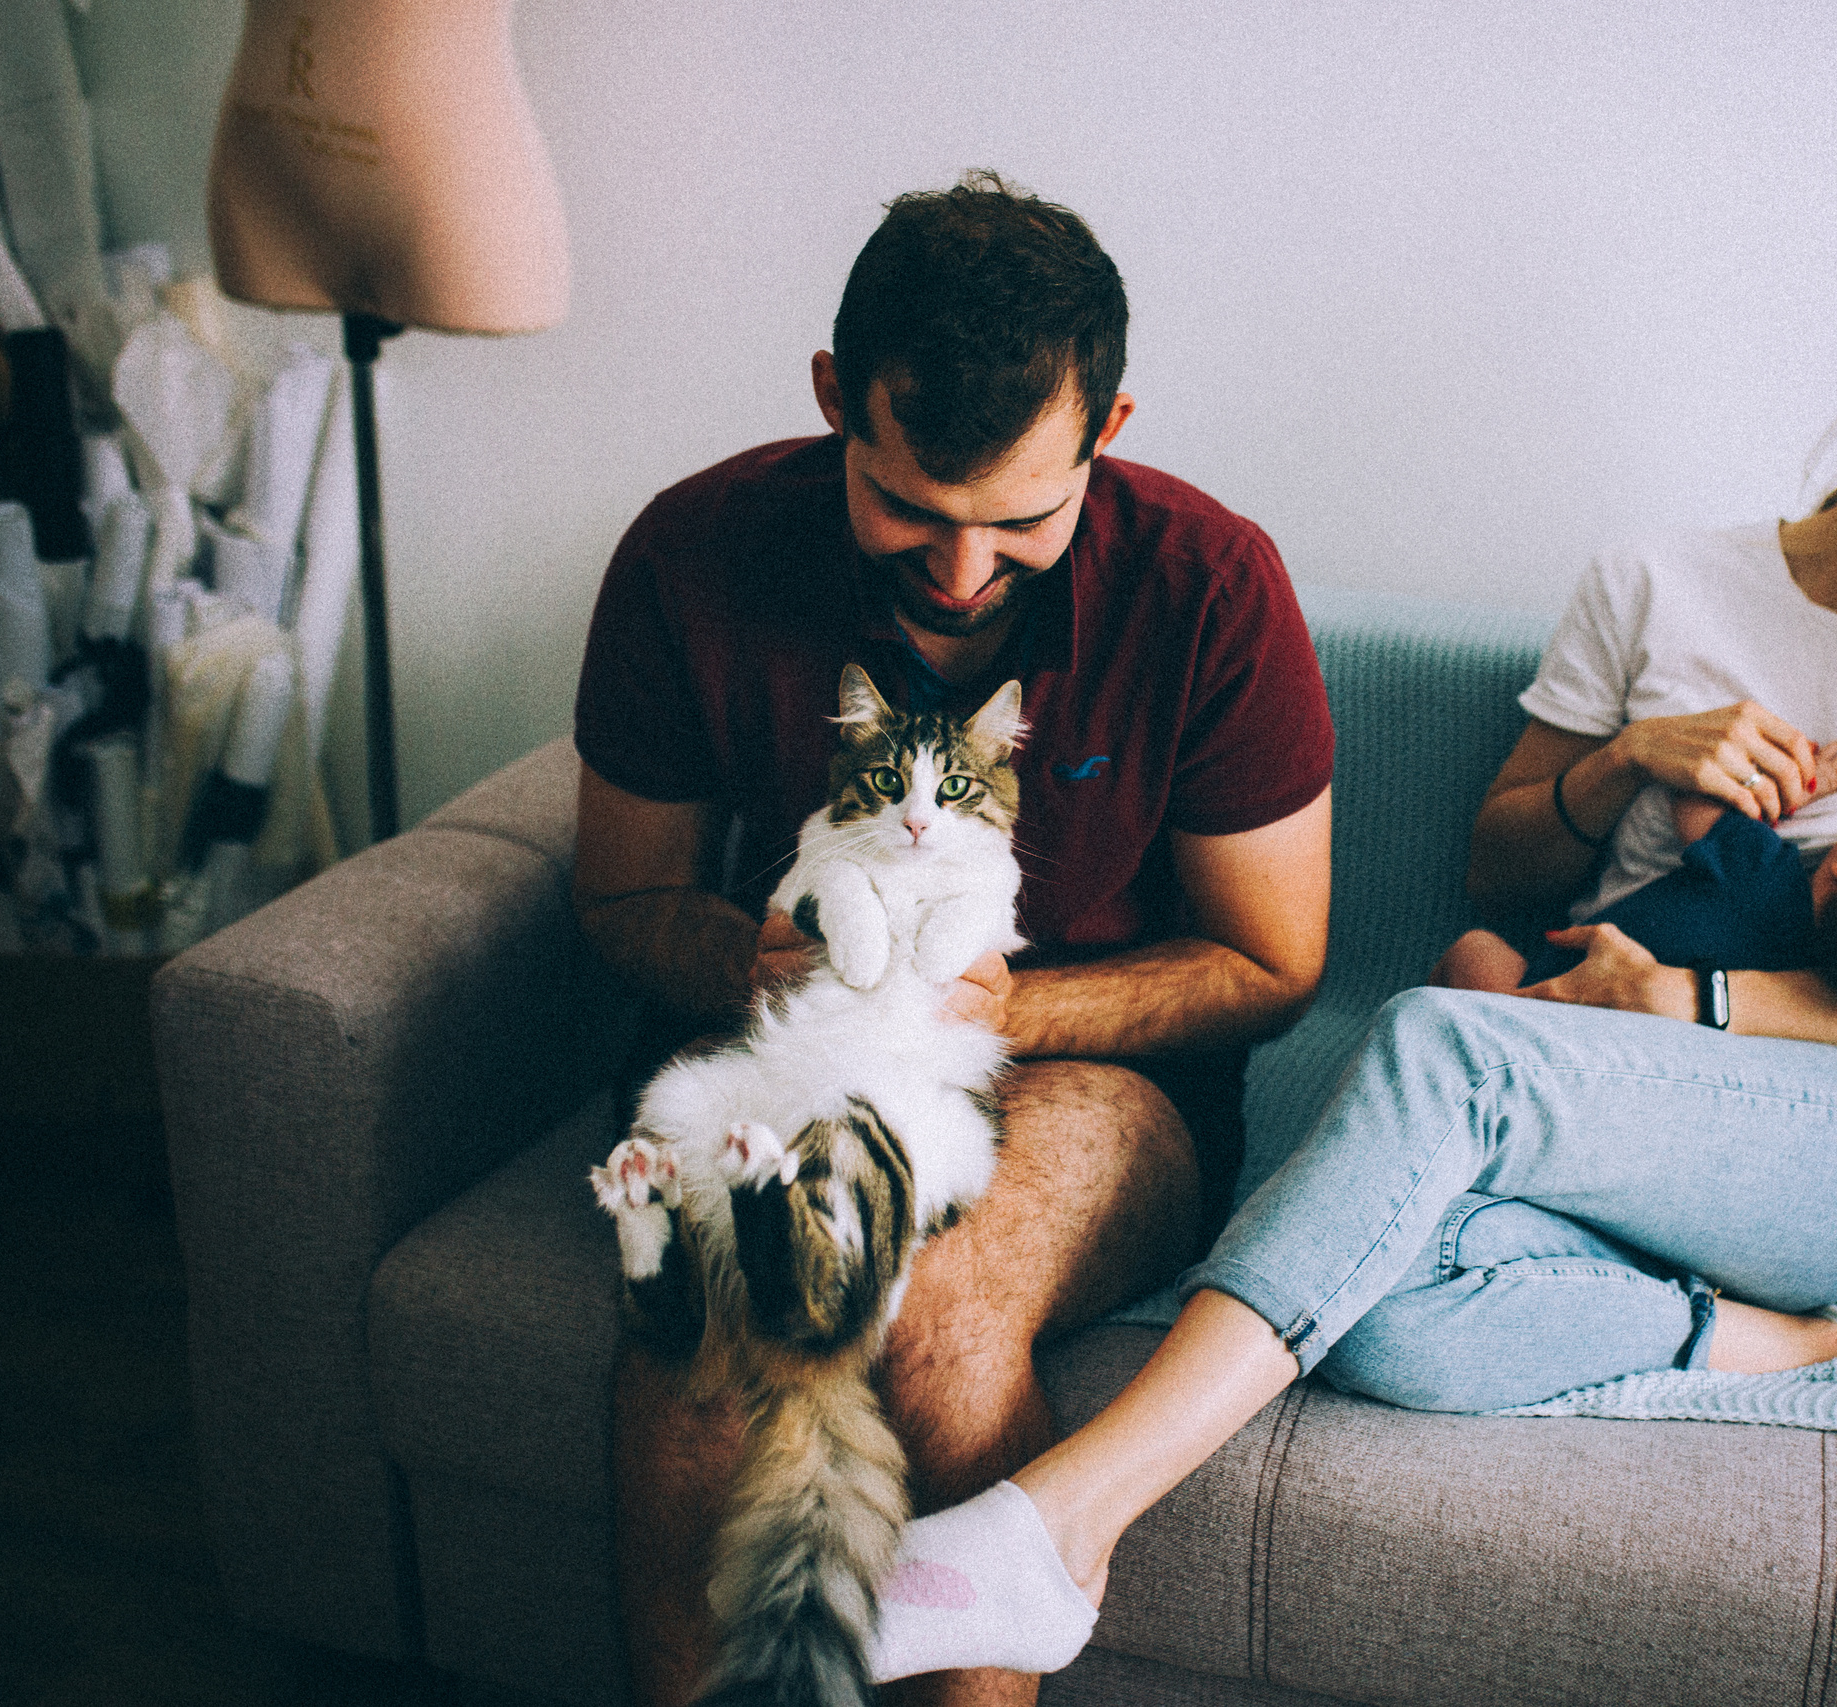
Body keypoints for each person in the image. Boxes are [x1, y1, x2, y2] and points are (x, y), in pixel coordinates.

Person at [839, 259, 1837, 1686]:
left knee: (1442, 1038)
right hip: (1591, 1107)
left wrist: (1686, 1000)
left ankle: (1054, 1527)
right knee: (1381, 1311)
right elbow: (1503, 875)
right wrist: (1631, 761)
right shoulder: (1661, 581)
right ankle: (1824, 1339)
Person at [568, 171, 1335, 1707]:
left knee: (940, 1309)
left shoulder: (1209, 586)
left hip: (1087, 1068)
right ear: (836, 399)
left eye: (1021, 519)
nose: (964, 568)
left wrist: (1012, 1008)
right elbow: (620, 897)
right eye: (912, 507)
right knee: (718, 1327)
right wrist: (744, 959)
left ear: (1107, 433)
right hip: (792, 1048)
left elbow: (1272, 963)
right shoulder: (693, 551)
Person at [1435, 777, 1837, 1037]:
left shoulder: (1764, 871)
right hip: (1619, 1057)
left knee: (1475, 952)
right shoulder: (1804, 981)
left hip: (1552, 992)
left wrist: (1788, 795)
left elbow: (1693, 796)